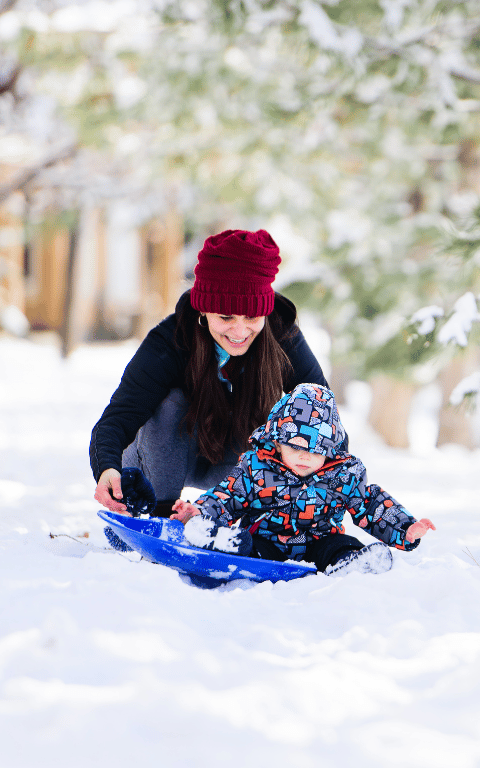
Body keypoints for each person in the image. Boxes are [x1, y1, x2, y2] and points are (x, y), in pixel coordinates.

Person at [91, 229, 338, 517]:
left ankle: (235, 518)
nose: (239, 331)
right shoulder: (170, 341)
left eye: (251, 317)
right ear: (204, 310)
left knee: (284, 422)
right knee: (171, 402)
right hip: (162, 454)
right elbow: (119, 416)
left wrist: (325, 495)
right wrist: (107, 467)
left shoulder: (281, 336)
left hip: (235, 458)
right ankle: (153, 511)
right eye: (225, 317)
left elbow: (323, 413)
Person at [171, 383, 435, 576]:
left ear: (330, 450)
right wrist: (199, 512)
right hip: (268, 542)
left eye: (314, 451)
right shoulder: (256, 467)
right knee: (250, 546)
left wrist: (405, 528)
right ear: (277, 440)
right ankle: (224, 545)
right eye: (295, 447)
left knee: (342, 545)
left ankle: (353, 565)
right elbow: (227, 497)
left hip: (320, 542)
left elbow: (370, 505)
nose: (304, 457)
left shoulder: (344, 475)